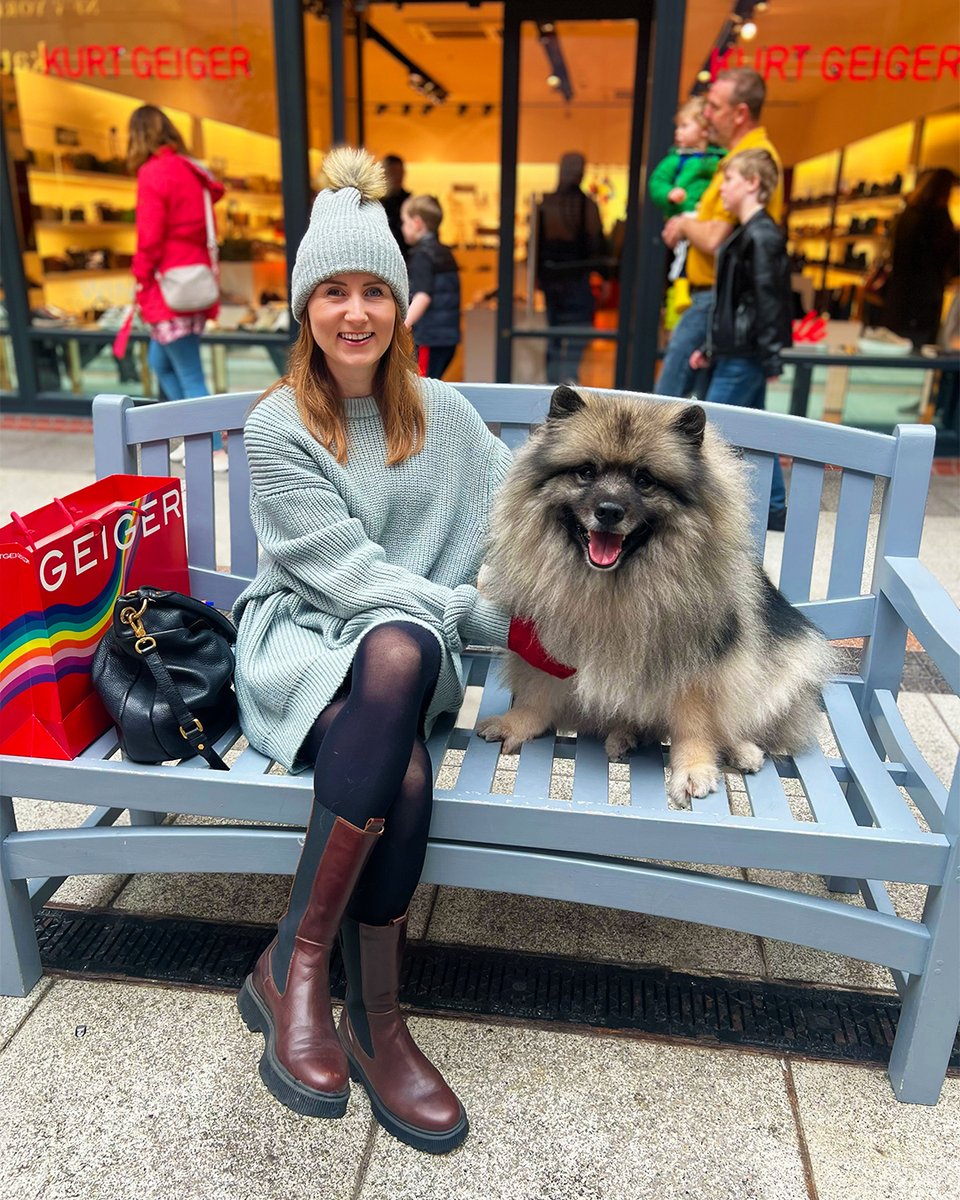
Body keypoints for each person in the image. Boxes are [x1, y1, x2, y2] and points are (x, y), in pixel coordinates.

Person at [232, 146, 568, 1154]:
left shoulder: (451, 421)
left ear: (400, 305)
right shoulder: (276, 427)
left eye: (373, 289)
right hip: (302, 645)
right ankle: (360, 1010)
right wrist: (481, 620)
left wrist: (585, 601)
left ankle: (300, 966)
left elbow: (527, 531)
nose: (355, 312)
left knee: (398, 655)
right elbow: (351, 578)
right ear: (304, 307)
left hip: (401, 658)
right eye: (332, 290)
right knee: (399, 695)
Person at [656, 69, 784, 402]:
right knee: (735, 429)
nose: (706, 115)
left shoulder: (750, 160)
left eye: (713, 107)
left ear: (740, 113)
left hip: (715, 302)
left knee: (665, 406)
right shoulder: (732, 158)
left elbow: (716, 239)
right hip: (718, 308)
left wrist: (684, 225)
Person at [688, 149, 793, 530]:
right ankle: (776, 507)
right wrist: (711, 348)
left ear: (753, 183)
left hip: (745, 355)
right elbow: (739, 302)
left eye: (730, 180)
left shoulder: (761, 235)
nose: (723, 189)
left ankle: (706, 508)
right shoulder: (749, 233)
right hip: (740, 351)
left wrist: (770, 357)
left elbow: (769, 299)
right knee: (759, 429)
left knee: (709, 428)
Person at [127, 105, 227, 470]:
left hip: (169, 287)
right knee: (161, 363)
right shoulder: (192, 170)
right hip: (193, 282)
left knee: (188, 373)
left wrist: (139, 274)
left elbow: (149, 236)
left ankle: (213, 447)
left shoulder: (154, 173)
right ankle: (192, 434)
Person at [648, 97, 725, 330]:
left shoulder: (720, 159)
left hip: (708, 219)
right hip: (685, 216)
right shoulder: (676, 160)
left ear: (704, 129)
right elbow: (657, 183)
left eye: (685, 126)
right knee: (682, 256)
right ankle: (680, 290)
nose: (678, 133)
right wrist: (670, 194)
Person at [536, 151, 609, 385]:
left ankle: (555, 380)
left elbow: (536, 246)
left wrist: (539, 277)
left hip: (555, 280)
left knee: (555, 332)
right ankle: (567, 378)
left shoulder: (548, 203)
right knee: (575, 331)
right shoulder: (586, 205)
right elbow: (597, 242)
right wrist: (605, 276)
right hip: (576, 278)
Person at [881, 167, 960, 350]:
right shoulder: (935, 219)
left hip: (901, 296)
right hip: (922, 298)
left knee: (898, 345)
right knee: (915, 347)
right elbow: (942, 256)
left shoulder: (908, 214)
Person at [401, 193, 461, 379]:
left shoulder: (422, 256)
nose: (402, 228)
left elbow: (422, 295)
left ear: (417, 223)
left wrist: (404, 325)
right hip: (447, 337)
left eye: (405, 222)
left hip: (429, 337)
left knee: (422, 387)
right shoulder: (445, 253)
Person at [381, 153, 411, 259]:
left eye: (399, 173)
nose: (397, 178)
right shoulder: (375, 203)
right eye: (392, 173)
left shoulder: (410, 202)